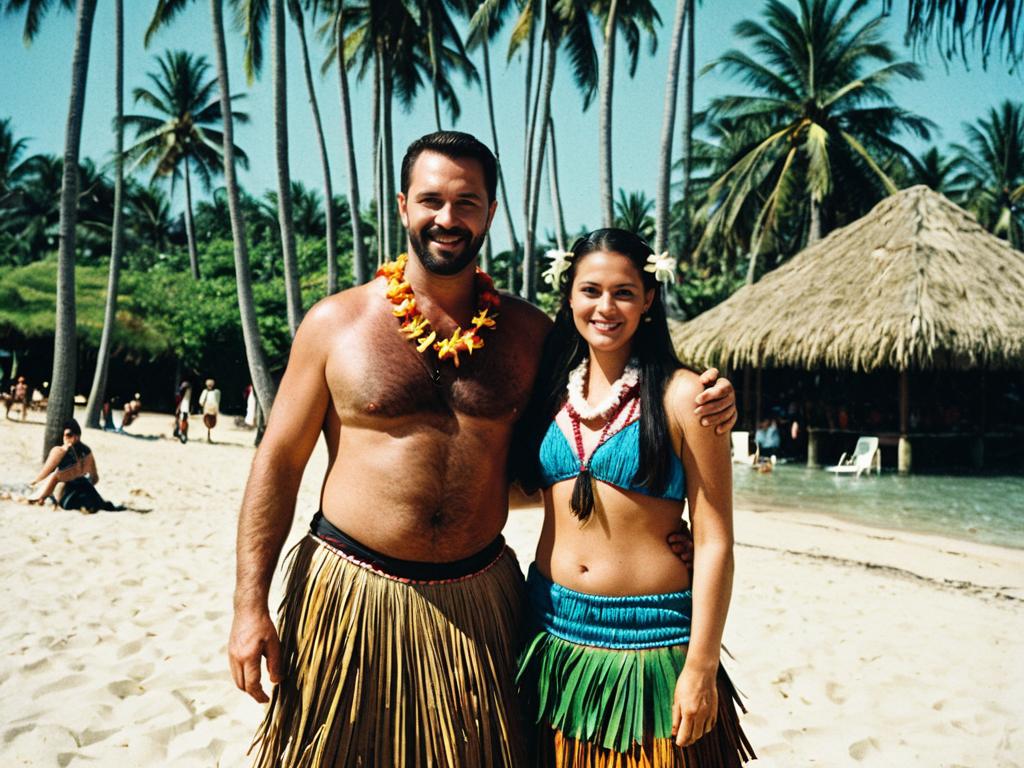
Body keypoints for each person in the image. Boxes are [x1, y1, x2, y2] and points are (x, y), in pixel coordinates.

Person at [229, 131, 738, 767]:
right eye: (431, 200)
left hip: (482, 601)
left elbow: (600, 420)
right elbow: (278, 461)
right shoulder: (337, 324)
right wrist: (250, 605)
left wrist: (707, 404)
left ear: (490, 213)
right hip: (351, 593)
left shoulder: (531, 337)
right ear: (402, 206)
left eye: (467, 202)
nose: (448, 217)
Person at [513, 229, 753, 766]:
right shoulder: (551, 390)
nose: (605, 307)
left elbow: (715, 540)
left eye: (623, 292)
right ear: (568, 295)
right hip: (551, 632)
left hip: (650, 645)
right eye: (590, 290)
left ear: (649, 298)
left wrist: (701, 666)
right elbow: (529, 489)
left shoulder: (688, 395)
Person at [28, 419, 124, 511]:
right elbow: (95, 478)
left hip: (68, 495)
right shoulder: (87, 452)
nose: (66, 438)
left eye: (68, 435)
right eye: (65, 435)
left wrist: (34, 483)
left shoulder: (60, 451)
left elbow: (44, 473)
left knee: (57, 478)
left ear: (77, 436)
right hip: (86, 491)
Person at [199, 378, 221, 443]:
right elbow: (201, 401)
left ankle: (208, 437)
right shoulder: (206, 392)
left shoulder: (216, 392)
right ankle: (208, 437)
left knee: (210, 423)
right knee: (208, 423)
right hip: (208, 409)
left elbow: (217, 401)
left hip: (211, 409)